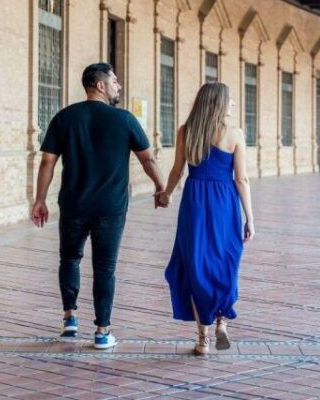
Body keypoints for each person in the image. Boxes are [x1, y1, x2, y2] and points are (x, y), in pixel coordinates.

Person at [31, 63, 168, 350]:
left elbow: (47, 162)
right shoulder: (124, 120)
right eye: (115, 81)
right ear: (101, 85)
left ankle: (70, 318)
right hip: (111, 208)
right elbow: (148, 159)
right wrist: (160, 187)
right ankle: (102, 332)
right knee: (105, 268)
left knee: (69, 258)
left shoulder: (65, 117)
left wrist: (40, 199)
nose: (118, 86)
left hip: (73, 204)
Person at [159, 82, 255, 356]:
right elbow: (242, 179)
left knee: (195, 264)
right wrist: (250, 218)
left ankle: (202, 339)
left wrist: (166, 194)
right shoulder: (234, 134)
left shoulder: (186, 132)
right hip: (225, 203)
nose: (233, 104)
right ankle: (222, 321)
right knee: (225, 259)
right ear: (218, 103)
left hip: (195, 202)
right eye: (230, 100)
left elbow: (178, 170)